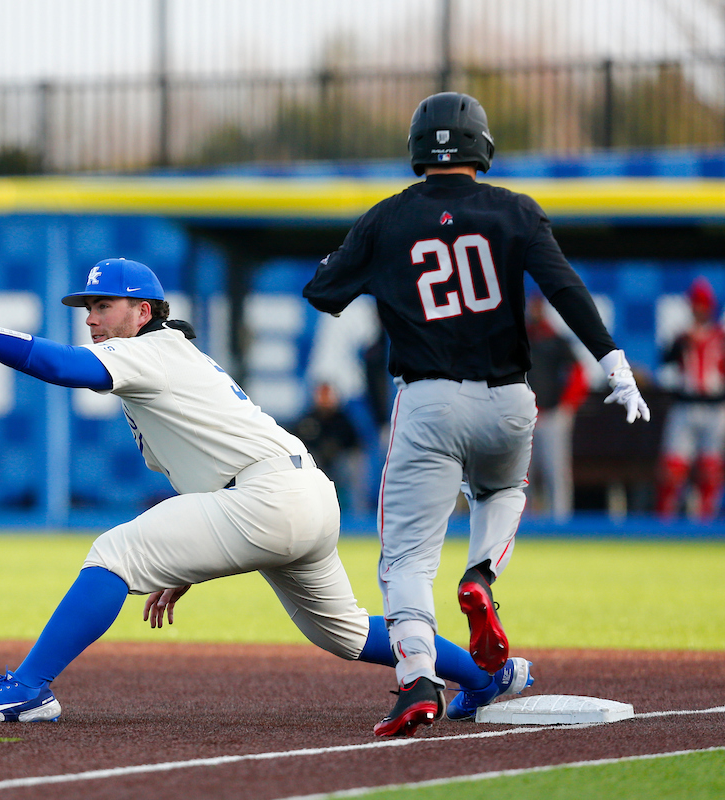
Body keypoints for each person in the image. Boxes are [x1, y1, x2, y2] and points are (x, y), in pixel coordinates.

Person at [0, 257, 532, 732]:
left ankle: (28, 691)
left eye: (103, 305)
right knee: (345, 635)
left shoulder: (153, 350)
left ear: (142, 311)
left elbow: (60, 368)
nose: (90, 318)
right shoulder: (161, 361)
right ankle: (488, 675)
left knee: (113, 553)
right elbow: (207, 479)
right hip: (298, 495)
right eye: (86, 307)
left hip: (267, 496)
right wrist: (187, 565)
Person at [302, 92, 649, 736]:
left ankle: (417, 682)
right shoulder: (514, 212)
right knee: (502, 490)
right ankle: (483, 573)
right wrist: (614, 362)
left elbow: (323, 291)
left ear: (416, 150)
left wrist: (359, 258)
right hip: (509, 399)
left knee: (405, 560)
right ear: (481, 148)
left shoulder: (386, 220)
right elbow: (564, 288)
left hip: (429, 401)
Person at [656, 277, 725, 520]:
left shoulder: (720, 336)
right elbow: (665, 359)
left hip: (715, 408)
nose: (698, 309)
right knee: (673, 468)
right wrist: (680, 342)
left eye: (702, 304)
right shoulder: (681, 336)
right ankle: (665, 520)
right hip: (685, 406)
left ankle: (706, 521)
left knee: (710, 469)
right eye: (695, 304)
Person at [525, 294, 588, 521]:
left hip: (552, 415)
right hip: (524, 418)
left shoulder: (556, 340)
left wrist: (567, 406)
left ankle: (561, 525)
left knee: (556, 475)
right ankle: (522, 526)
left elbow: (579, 373)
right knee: (522, 477)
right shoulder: (520, 339)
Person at [292, 382, 364, 512]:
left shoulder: (342, 419)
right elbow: (296, 444)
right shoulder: (308, 419)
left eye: (327, 395)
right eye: (321, 395)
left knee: (351, 465)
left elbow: (355, 445)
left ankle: (356, 513)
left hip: (339, 462)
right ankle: (309, 510)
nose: (324, 399)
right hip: (317, 463)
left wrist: (336, 450)